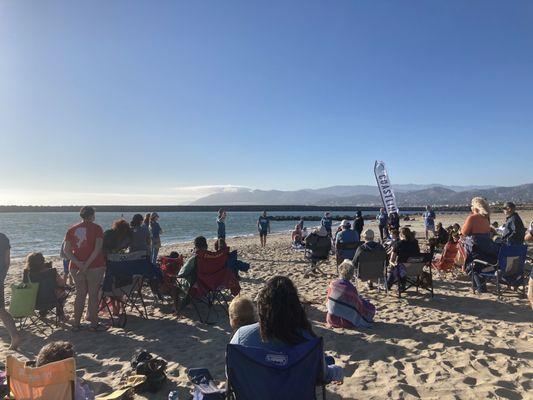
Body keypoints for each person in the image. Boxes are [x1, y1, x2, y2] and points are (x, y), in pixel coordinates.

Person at [230, 276, 343, 383]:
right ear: (295, 306)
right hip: (295, 391)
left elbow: (230, 373)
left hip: (256, 392)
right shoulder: (308, 340)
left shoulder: (242, 336)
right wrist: (337, 371)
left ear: (262, 305)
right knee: (329, 362)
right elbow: (323, 376)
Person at [63, 206, 106, 332]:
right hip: (94, 266)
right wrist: (85, 265)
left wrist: (80, 264)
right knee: (93, 295)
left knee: (80, 295)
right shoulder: (97, 228)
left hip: (76, 266)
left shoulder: (72, 229)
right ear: (92, 215)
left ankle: (76, 324)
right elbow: (97, 249)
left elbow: (67, 251)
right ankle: (93, 324)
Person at [461, 197, 500, 292]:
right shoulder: (486, 218)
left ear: (475, 207)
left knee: (470, 266)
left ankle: (480, 287)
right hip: (487, 250)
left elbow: (464, 232)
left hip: (476, 250)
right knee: (476, 266)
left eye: (471, 205)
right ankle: (477, 286)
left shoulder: (472, 217)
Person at [326, 260, 375, 329]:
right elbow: (358, 307)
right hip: (346, 322)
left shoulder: (332, 284)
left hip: (331, 319)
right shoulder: (351, 289)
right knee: (371, 308)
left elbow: (327, 302)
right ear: (352, 275)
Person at [23, 252, 67, 320]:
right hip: (52, 300)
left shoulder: (27, 273)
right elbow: (62, 284)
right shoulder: (51, 272)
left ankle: (43, 313)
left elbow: (25, 286)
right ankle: (60, 314)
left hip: (33, 302)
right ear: (43, 261)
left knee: (40, 292)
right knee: (62, 292)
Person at [174, 236, 209, 311]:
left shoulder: (195, 258)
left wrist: (176, 276)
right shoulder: (211, 257)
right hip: (209, 284)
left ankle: (177, 309)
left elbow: (182, 273)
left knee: (175, 285)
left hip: (196, 285)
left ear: (196, 247)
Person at [0, 232, 21, 349]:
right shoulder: (3, 238)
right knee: (2, 311)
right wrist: (2, 276)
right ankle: (14, 336)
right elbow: (7, 261)